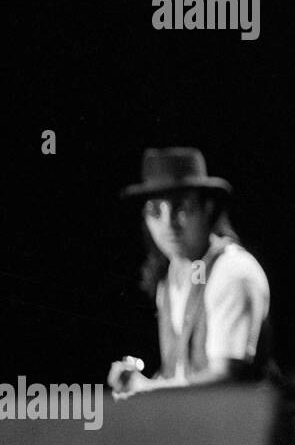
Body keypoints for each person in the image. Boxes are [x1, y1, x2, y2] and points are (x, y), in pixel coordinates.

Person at [108, 147, 270, 399]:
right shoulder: (170, 278)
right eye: (155, 210)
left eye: (181, 206)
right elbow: (183, 374)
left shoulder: (232, 271)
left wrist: (148, 390)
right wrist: (137, 384)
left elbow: (227, 378)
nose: (168, 223)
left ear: (207, 208)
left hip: (244, 434)